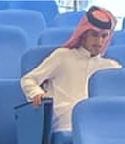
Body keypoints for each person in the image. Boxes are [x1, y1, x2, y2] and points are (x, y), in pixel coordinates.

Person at [19, 6, 118, 134]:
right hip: (65, 123)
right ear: (84, 34)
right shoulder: (63, 56)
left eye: (104, 36)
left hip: (98, 126)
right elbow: (28, 80)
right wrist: (37, 94)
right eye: (94, 35)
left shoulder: (112, 67)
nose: (99, 41)